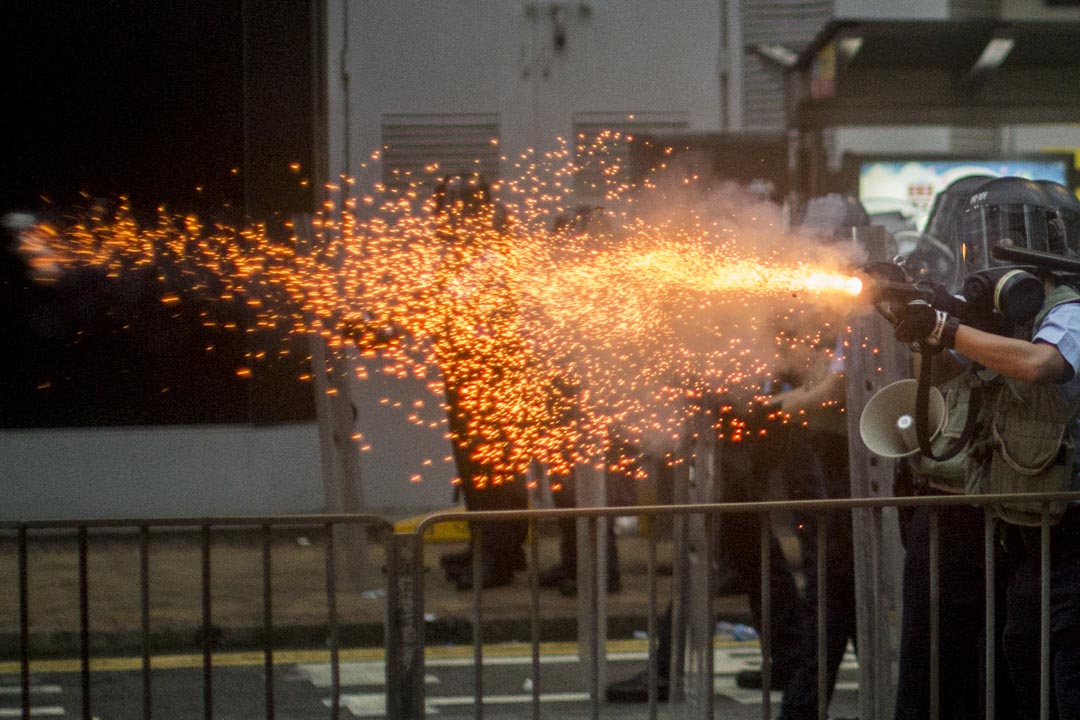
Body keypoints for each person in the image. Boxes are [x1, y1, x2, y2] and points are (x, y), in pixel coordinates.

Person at [888, 177, 1080, 719]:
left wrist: (947, 329)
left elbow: (1039, 364)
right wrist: (907, 311)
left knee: (1063, 661)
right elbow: (956, 370)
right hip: (1026, 523)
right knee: (1024, 647)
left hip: (1070, 526)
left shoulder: (1070, 311)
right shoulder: (1008, 319)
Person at [889, 174, 1019, 720]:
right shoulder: (954, 292)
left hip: (1001, 495)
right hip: (942, 487)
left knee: (1004, 657)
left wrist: (952, 327)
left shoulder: (1040, 303)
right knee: (934, 656)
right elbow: (936, 373)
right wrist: (923, 319)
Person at [429, 172, 530, 590]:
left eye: (445, 210)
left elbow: (454, 307)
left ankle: (497, 558)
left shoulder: (489, 253)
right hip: (469, 377)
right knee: (476, 473)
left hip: (490, 382)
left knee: (492, 474)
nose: (438, 221)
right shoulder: (466, 250)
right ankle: (490, 546)